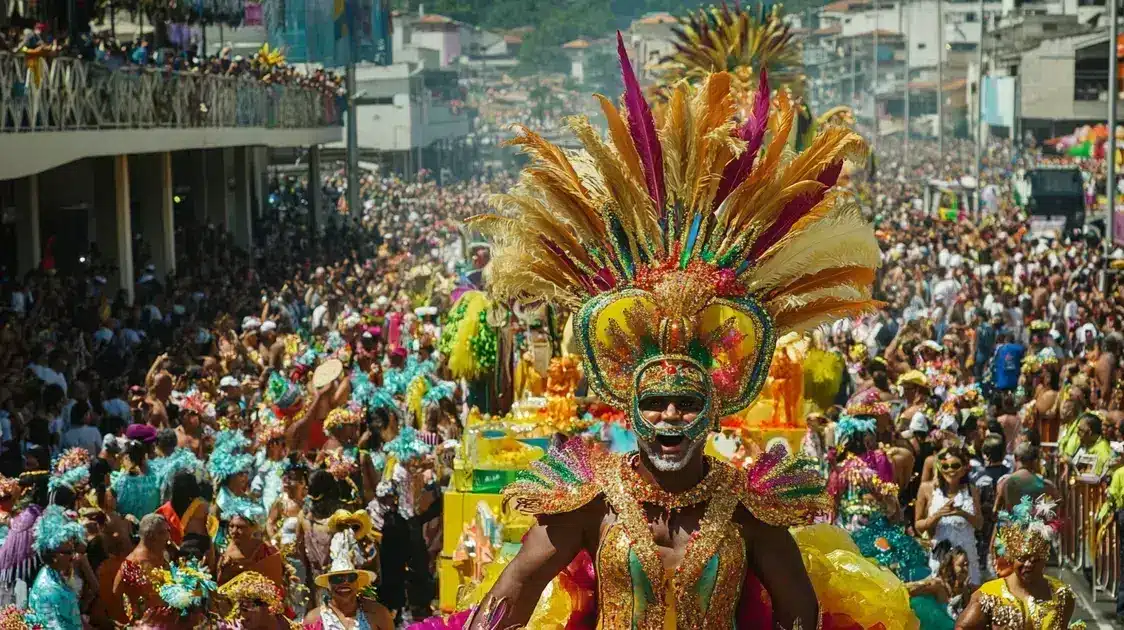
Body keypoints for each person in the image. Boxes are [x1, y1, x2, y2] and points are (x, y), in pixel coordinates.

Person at [461, 48, 883, 628]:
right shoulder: (591, 500)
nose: (668, 416)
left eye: (686, 402)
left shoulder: (748, 508)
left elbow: (799, 614)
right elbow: (516, 587)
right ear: (629, 409)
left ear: (713, 409)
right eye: (653, 402)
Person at [955, 496, 1081, 629]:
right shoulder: (989, 595)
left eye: (1035, 559)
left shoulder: (1061, 595)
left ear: (1045, 558)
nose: (1028, 564)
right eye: (1022, 558)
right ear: (1011, 557)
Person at [303, 514, 394, 630]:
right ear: (329, 584)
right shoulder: (313, 619)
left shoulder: (378, 614)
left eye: (351, 577)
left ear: (357, 582)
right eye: (338, 578)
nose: (344, 583)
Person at [915, 445, 983, 586]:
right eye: (945, 466)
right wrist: (939, 514)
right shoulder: (926, 489)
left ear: (964, 468)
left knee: (968, 596)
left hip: (967, 556)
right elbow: (918, 526)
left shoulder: (972, 490)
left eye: (955, 465)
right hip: (941, 554)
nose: (950, 470)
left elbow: (979, 524)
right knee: (942, 595)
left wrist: (962, 513)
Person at [27, 505, 86, 630]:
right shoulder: (48, 589)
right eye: (68, 552)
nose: (73, 557)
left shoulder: (54, 574)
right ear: (54, 555)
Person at [112, 513, 171, 624]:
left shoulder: (161, 557)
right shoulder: (132, 564)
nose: (168, 538)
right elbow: (117, 592)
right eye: (163, 533)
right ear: (151, 536)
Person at [217, 570, 294, 629]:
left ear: (267, 607)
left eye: (246, 607)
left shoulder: (286, 625)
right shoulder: (237, 626)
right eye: (239, 607)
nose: (241, 615)